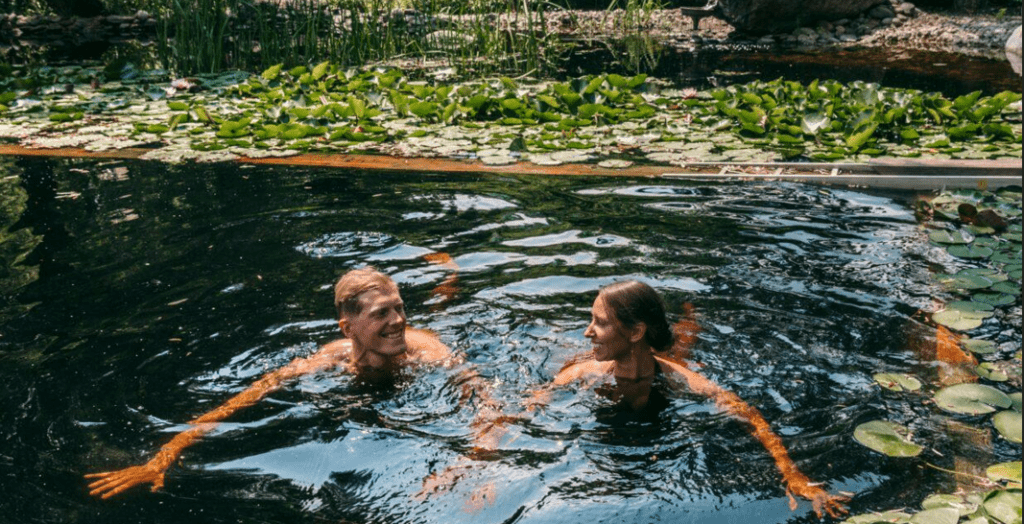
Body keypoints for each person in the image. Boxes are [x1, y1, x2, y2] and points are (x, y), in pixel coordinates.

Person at [86, 266, 487, 499]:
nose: (398, 321)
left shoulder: (431, 354)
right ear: (347, 328)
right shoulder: (327, 359)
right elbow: (236, 403)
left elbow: (489, 404)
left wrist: (469, 465)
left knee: (441, 309)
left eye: (399, 308)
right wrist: (162, 458)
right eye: (381, 313)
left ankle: (448, 275)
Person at [529, 280, 851, 520]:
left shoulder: (682, 380)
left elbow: (750, 415)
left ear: (636, 332)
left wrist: (793, 474)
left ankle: (691, 315)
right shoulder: (582, 373)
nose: (587, 331)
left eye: (600, 322)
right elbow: (529, 405)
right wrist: (495, 439)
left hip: (658, 374)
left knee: (682, 350)